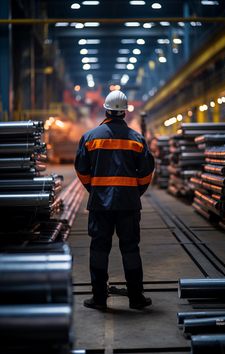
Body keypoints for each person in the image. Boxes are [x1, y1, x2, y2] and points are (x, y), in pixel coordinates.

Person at [74, 90, 154, 310]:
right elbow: (147, 172)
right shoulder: (137, 140)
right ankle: (136, 298)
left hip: (100, 205)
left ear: (107, 110)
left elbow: (81, 170)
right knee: (130, 249)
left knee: (99, 249)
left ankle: (99, 298)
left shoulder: (90, 138)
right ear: (125, 113)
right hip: (128, 205)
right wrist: (134, 191)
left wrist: (94, 188)